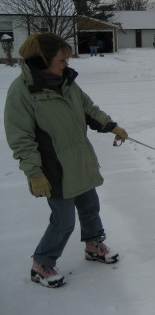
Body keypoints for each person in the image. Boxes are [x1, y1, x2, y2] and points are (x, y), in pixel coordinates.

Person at [4, 33, 128, 288]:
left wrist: (111, 125)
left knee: (90, 207)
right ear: (44, 61)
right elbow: (21, 138)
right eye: (62, 60)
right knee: (64, 221)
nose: (67, 64)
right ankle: (42, 263)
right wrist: (35, 173)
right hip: (53, 169)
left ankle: (94, 246)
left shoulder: (67, 82)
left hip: (79, 159)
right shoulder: (23, 92)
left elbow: (88, 108)